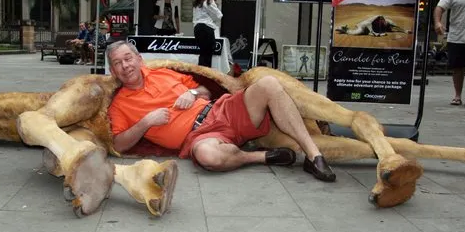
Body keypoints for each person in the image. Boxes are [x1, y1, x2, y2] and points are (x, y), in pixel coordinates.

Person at [106, 40, 336, 182]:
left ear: (139, 59)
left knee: (269, 84)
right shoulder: (119, 105)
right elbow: (118, 145)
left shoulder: (164, 73)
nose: (125, 66)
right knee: (207, 156)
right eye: (118, 63)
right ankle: (262, 156)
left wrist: (193, 94)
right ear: (113, 71)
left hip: (220, 111)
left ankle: (313, 155)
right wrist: (145, 122)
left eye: (128, 58)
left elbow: (206, 89)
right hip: (200, 137)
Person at [192, 0, 223, 67]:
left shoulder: (196, 2)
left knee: (202, 52)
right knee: (208, 54)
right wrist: (212, 20)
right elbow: (219, 15)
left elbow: (195, 17)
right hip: (207, 28)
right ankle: (206, 76)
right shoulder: (209, 1)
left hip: (197, 28)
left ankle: (200, 75)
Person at [335, 15, 413, 36]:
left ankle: (405, 31)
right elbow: (368, 26)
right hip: (366, 26)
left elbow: (369, 24)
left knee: (394, 26)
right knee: (357, 32)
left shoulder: (386, 21)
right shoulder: (362, 26)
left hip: (380, 25)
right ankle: (344, 29)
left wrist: (373, 32)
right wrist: (374, 33)